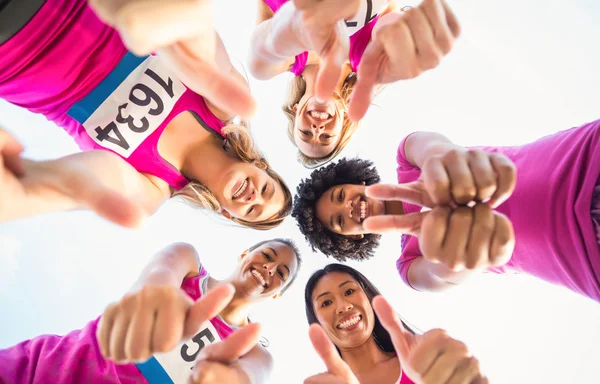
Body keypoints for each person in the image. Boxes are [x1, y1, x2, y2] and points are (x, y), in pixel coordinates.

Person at [0, 0, 291, 230]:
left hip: (16, 60)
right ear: (259, 164)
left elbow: (99, 175)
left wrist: (32, 189)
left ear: (228, 214)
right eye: (266, 189)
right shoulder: (222, 106)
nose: (255, 197)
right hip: (83, 9)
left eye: (252, 210)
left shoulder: (152, 190)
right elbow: (199, 46)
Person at [293, 120, 600, 302]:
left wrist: (447, 173)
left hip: (585, 160)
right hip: (587, 255)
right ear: (352, 238)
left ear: (354, 181)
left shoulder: (407, 157)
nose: (348, 208)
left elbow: (438, 152)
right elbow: (444, 274)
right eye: (338, 221)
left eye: (341, 195)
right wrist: (456, 251)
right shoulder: (410, 265)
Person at [0, 238, 302, 384]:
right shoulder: (188, 262)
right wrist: (156, 295)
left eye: (282, 274)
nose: (270, 269)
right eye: (268, 255)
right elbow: (158, 277)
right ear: (245, 253)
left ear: (277, 295)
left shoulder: (252, 350)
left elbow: (249, 379)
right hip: (56, 368)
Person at [250, 0, 461, 167]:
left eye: (306, 133)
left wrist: (267, 57)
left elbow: (263, 35)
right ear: (344, 121)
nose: (316, 129)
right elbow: (390, 22)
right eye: (326, 137)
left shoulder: (288, 58)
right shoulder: (365, 58)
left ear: (295, 111)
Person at [302, 263, 488, 384]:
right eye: (326, 303)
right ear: (316, 322)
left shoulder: (427, 365)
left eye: (349, 291)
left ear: (368, 298)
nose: (343, 306)